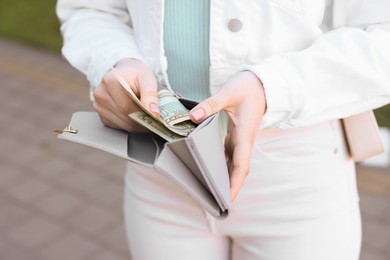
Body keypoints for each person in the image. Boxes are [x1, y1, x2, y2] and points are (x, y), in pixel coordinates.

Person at [56, 0, 390, 259]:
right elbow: (91, 9)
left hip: (297, 178)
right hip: (162, 171)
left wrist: (273, 87)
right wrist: (114, 60)